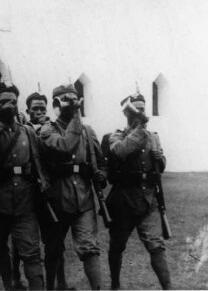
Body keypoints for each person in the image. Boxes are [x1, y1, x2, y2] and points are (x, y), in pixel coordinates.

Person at [0, 82, 46, 291]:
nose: (9, 105)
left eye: (13, 102)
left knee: (32, 254)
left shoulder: (27, 132)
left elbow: (38, 161)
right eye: (3, 102)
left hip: (24, 203)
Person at [40, 84, 107, 290]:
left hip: (84, 199)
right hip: (58, 201)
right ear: (56, 104)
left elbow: (102, 161)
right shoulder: (47, 130)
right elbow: (63, 146)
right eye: (66, 99)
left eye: (74, 99)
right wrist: (77, 115)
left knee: (89, 248)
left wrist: (101, 174)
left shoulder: (88, 132)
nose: (72, 103)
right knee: (53, 249)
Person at [103, 93, 171, 290]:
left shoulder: (153, 137)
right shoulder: (116, 136)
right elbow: (119, 152)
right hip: (124, 200)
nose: (141, 112)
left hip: (148, 199)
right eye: (137, 109)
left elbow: (159, 167)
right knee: (117, 246)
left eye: (143, 108)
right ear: (128, 114)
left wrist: (160, 159)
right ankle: (115, 285)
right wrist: (139, 129)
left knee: (156, 245)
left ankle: (168, 288)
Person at [25, 92, 74, 291]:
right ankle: (15, 278)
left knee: (54, 241)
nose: (39, 112)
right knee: (25, 241)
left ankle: (59, 283)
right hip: (27, 191)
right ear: (27, 111)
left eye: (42, 108)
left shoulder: (52, 130)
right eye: (34, 109)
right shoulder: (24, 130)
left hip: (48, 191)